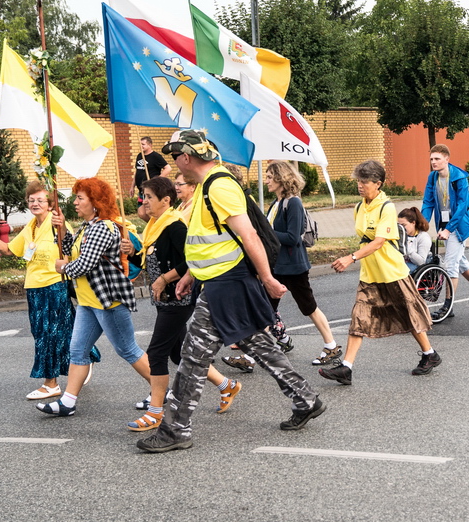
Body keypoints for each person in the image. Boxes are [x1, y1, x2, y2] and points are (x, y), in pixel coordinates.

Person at [137, 130, 324, 453]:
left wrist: (267, 278)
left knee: (193, 357)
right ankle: (305, 398)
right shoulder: (208, 186)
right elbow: (211, 240)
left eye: (175, 157)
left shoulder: (219, 186)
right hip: (220, 282)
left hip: (228, 285)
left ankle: (176, 429)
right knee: (259, 345)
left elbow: (249, 236)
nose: (174, 165)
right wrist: (192, 274)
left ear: (186, 157)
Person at [128, 175, 241, 432]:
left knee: (156, 353)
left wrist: (164, 279)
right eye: (144, 196)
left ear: (166, 200)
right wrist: (132, 252)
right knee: (179, 353)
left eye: (149, 197)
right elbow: (150, 259)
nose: (145, 202)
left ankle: (155, 411)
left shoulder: (175, 226)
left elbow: (190, 259)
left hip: (178, 299)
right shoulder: (154, 226)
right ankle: (227, 385)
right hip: (164, 299)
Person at [39, 177, 151, 418]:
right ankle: (67, 402)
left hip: (107, 301)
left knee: (128, 350)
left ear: (95, 202)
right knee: (78, 351)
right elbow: (69, 249)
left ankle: (163, 391)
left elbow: (84, 264)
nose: (75, 202)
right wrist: (61, 228)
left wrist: (63, 268)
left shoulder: (102, 228)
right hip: (88, 301)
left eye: (80, 198)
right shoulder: (87, 226)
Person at [319, 160, 438, 385]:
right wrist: (356, 258)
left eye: (365, 181)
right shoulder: (359, 207)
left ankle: (429, 354)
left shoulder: (386, 207)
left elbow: (379, 242)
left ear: (378, 183)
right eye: (358, 180)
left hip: (391, 271)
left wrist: (351, 258)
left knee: (407, 313)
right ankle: (346, 368)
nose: (360, 185)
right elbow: (366, 239)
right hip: (370, 273)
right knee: (359, 316)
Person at [0, 181, 84, 401]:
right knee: (55, 331)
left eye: (40, 200)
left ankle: (50, 383)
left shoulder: (57, 222)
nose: (35, 204)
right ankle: (85, 359)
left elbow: (71, 248)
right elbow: (9, 250)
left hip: (55, 285)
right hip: (34, 287)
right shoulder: (31, 226)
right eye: (31, 200)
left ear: (50, 204)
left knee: (49, 334)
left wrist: (63, 227)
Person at [264, 160, 341, 366]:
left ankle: (331, 346)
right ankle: (249, 356)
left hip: (293, 266)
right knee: (265, 309)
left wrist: (266, 232)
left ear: (281, 178)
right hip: (278, 265)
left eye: (270, 177)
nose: (266, 181)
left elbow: (292, 237)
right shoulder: (275, 203)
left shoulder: (293, 203)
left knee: (309, 307)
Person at [419, 144, 469, 318]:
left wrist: (448, 229)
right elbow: (428, 202)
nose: (433, 162)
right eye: (431, 159)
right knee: (460, 261)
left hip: (459, 226)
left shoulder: (459, 178)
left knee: (451, 265)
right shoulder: (433, 177)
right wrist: (421, 225)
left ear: (447, 159)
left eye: (437, 159)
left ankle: (448, 306)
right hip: (444, 224)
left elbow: (462, 206)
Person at [133, 137, 170, 214]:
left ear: (150, 145)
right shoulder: (140, 156)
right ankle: (152, 222)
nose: (141, 146)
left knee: (149, 212)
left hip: (151, 189)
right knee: (141, 212)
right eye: (140, 144)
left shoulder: (155, 156)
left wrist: (157, 181)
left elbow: (168, 168)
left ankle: (156, 221)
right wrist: (132, 186)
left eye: (143, 144)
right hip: (141, 189)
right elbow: (137, 171)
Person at [397, 207, 432, 272]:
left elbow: (421, 262)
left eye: (404, 225)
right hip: (402, 262)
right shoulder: (400, 235)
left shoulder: (423, 237)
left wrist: (406, 248)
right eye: (399, 226)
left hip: (416, 265)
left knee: (400, 271)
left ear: (413, 223)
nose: (401, 228)